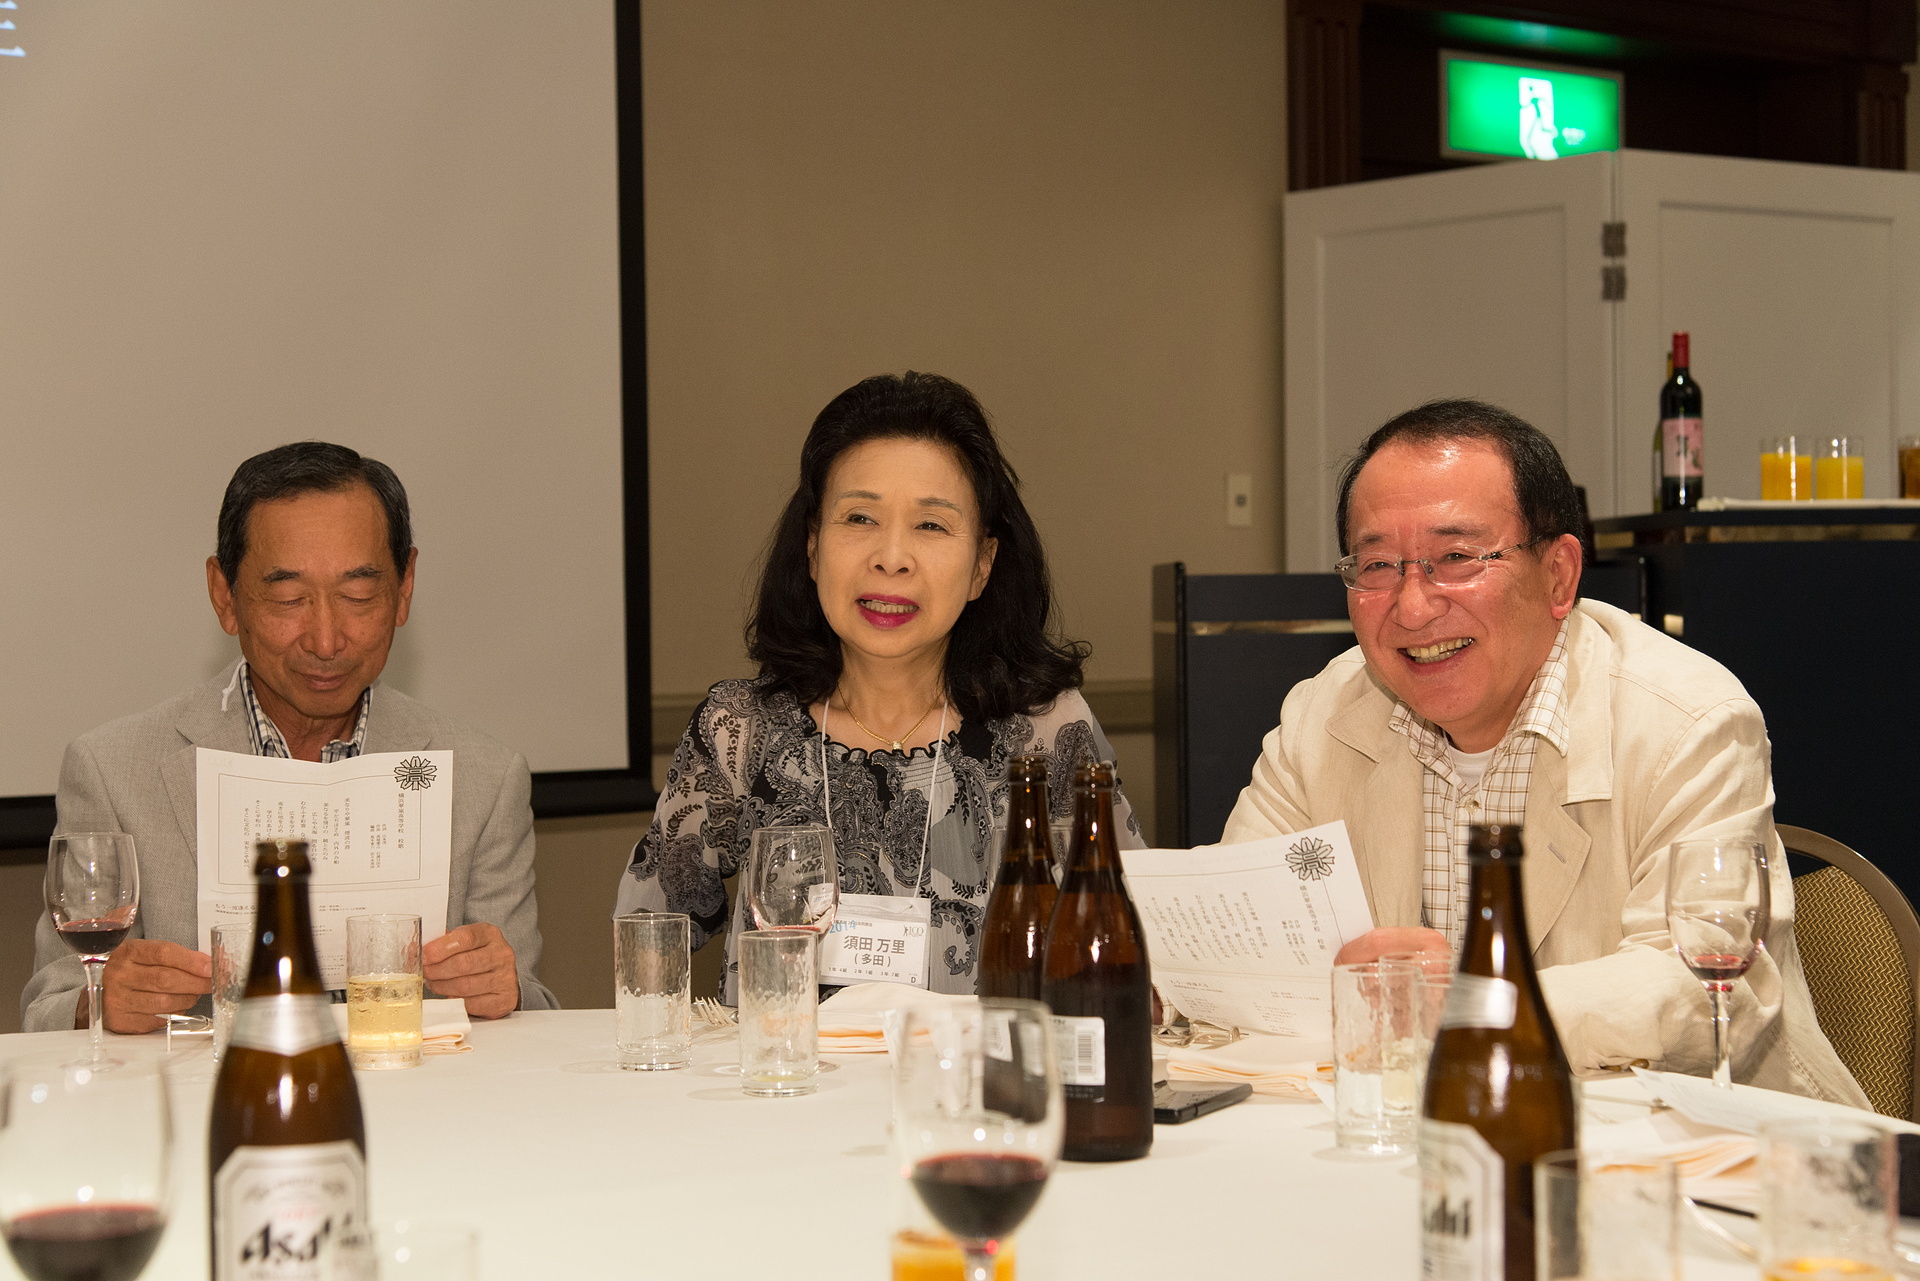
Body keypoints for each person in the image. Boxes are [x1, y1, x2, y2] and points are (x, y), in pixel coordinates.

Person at [1224, 399, 1866, 1105]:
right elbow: (1233, 930)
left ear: (1559, 575)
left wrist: (1462, 1006)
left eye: (1456, 558)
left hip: (1699, 1139)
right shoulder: (1324, 714)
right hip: (1417, 1128)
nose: (1412, 606)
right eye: (1378, 564)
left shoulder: (1690, 722)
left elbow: (1697, 988)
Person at [618, 372, 1141, 1000]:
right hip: (786, 1064)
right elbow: (646, 941)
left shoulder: (1047, 731)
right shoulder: (739, 731)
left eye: (931, 525)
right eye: (860, 517)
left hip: (979, 1066)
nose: (892, 558)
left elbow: (1131, 935)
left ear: (982, 566)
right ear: (813, 547)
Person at [20, 442, 557, 1034]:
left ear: (404, 588)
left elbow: (529, 1008)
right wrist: (99, 1001)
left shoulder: (484, 778)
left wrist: (504, 991)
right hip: (208, 1090)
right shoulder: (113, 770)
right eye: (288, 598)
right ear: (224, 596)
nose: (326, 640)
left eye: (357, 596)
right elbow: (47, 1007)